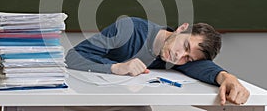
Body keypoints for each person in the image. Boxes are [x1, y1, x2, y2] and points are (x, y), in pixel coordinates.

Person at [65, 17, 249, 108]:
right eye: (185, 45)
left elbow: (204, 68)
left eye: (188, 58)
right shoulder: (129, 28)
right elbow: (73, 56)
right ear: (181, 29)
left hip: (127, 104)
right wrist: (115, 67)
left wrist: (227, 77)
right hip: (86, 102)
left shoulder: (179, 59)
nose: (179, 56)